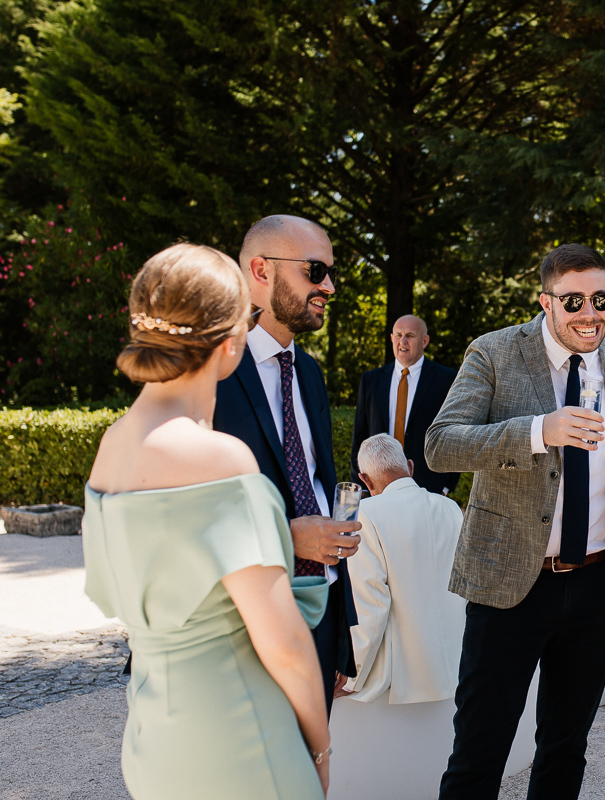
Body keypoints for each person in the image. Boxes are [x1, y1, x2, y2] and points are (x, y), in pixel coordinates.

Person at [83, 243, 330, 799]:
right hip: (239, 743)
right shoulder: (219, 458)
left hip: (152, 739)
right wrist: (318, 748)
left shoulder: (111, 447)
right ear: (232, 341)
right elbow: (287, 647)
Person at [425, 242, 605, 800]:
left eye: (600, 298)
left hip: (601, 584)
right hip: (510, 584)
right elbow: (440, 444)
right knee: (479, 751)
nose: (590, 312)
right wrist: (538, 431)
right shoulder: (495, 352)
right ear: (546, 301)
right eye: (574, 300)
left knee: (564, 747)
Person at [214, 214, 362, 716]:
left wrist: (340, 635)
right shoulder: (205, 370)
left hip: (319, 612)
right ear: (261, 270)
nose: (330, 286)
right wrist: (285, 535)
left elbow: (317, 488)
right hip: (238, 624)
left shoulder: (311, 373)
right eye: (316, 271)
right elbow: (177, 509)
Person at [340, 433, 466, 704]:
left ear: (365, 480)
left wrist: (352, 676)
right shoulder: (451, 508)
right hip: (458, 666)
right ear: (410, 467)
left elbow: (370, 605)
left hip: (403, 678)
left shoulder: (365, 514)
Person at [350, 315, 461, 496]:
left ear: (424, 341)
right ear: (392, 339)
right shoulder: (371, 380)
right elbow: (360, 437)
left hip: (428, 488)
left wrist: (446, 486)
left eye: (410, 335)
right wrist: (361, 484)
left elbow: (455, 434)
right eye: (398, 335)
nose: (403, 341)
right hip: (378, 487)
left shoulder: (447, 380)